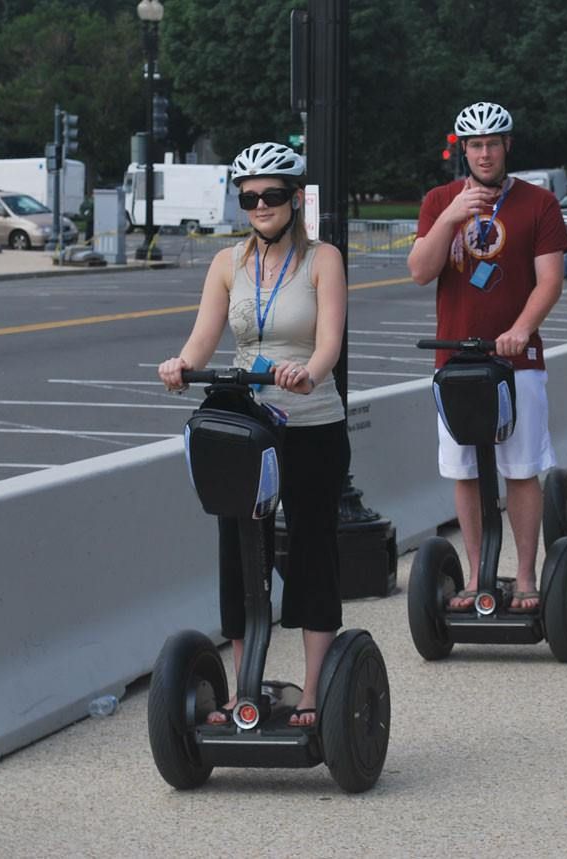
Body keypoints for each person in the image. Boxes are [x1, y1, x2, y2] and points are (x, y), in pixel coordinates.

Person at [157, 141, 348, 727]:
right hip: (247, 424)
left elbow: (329, 345)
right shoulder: (226, 264)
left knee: (313, 545)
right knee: (242, 552)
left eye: (271, 195)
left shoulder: (324, 260)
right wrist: (181, 364)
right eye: (249, 197)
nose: (259, 205)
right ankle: (248, 689)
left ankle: (314, 694)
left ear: (294, 199)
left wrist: (307, 374)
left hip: (311, 420)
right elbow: (204, 336)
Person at [407, 101, 567, 613]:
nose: (483, 153)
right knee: (465, 472)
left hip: (516, 362)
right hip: (455, 361)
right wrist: (451, 218)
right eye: (474, 145)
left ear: (507, 147)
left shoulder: (539, 204)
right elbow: (420, 270)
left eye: (492, 144)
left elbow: (549, 280)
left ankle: (523, 576)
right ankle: (477, 575)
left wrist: (521, 329)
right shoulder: (439, 200)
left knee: (520, 469)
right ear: (463, 149)